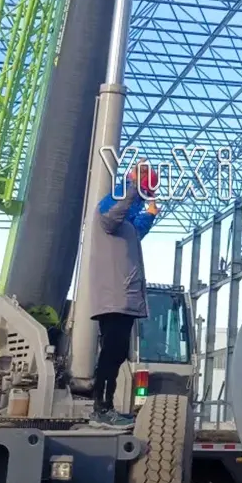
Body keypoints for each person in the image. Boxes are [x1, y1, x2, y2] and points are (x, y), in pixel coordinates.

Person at [88, 159, 159, 428]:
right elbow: (114, 212)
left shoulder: (125, 226)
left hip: (124, 297)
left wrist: (150, 213)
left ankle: (106, 407)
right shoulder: (108, 216)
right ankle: (101, 409)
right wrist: (132, 184)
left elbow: (136, 229)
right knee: (111, 353)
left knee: (117, 354)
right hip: (114, 297)